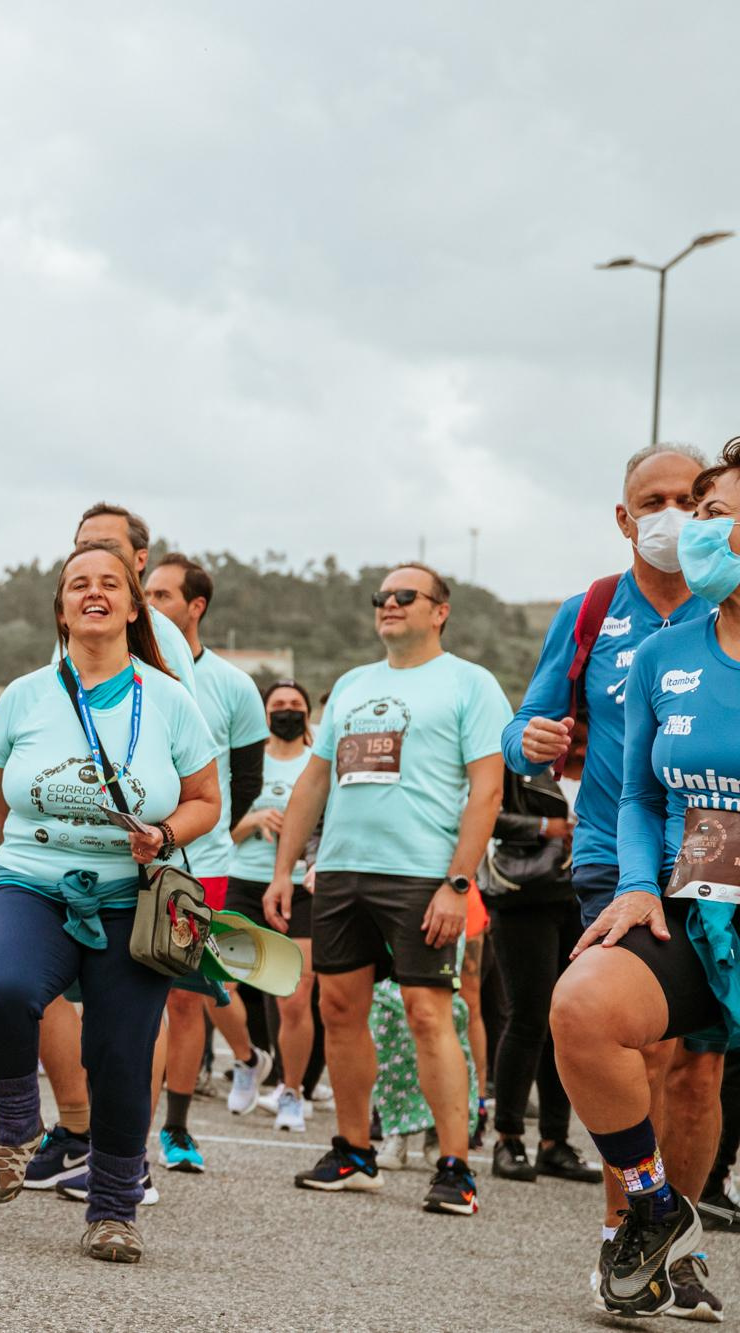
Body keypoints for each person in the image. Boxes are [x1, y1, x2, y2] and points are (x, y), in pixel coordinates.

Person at [0, 541, 218, 1265]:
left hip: (131, 896)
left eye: (109, 584)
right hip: (30, 880)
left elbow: (207, 802)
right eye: (76, 585)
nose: (92, 593)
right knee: (0, 991)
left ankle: (115, 1208)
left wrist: (163, 832)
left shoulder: (169, 700)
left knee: (121, 1052)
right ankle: (15, 1130)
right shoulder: (26, 696)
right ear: (61, 610)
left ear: (133, 605)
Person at [506, 443, 723, 1300]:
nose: (672, 514)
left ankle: (681, 1245)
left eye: (689, 498)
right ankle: (625, 1233)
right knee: (638, 1042)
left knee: (697, 1068)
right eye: (654, 499)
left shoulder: (719, 619)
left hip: (719, 869)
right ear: (625, 518)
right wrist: (528, 737)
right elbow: (526, 720)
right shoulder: (595, 611)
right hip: (615, 855)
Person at [266, 562, 509, 1216]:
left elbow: (488, 789)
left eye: (407, 595)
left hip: (421, 874)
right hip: (343, 869)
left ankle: (455, 1163)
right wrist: (284, 869)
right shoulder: (351, 684)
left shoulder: (470, 684)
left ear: (440, 610)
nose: (390, 604)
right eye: (382, 596)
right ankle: (353, 1151)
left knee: (428, 1013)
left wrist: (458, 882)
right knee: (338, 1010)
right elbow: (312, 783)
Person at [144, 553, 271, 1172]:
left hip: (201, 859)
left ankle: (176, 1128)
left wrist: (206, 828)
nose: (151, 606)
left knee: (184, 999)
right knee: (130, 994)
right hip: (131, 855)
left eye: (163, 595)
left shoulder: (234, 685)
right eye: (147, 594)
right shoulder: (127, 673)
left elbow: (247, 779)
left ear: (195, 607)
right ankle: (113, 1130)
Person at [479, 764, 599, 1187]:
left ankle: (555, 1143)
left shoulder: (612, 756)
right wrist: (544, 826)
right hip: (523, 895)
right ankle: (507, 1139)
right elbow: (483, 812)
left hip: (583, 896)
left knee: (567, 1023)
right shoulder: (519, 762)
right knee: (528, 1016)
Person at [227, 680, 322, 1132]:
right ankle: (248, 1059)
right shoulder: (249, 765)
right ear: (264, 714)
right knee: (219, 987)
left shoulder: (317, 764)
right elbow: (216, 829)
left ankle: (292, 1091)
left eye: (295, 705)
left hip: (301, 889)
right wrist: (254, 820)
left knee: (296, 995)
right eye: (278, 705)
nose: (287, 711)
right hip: (242, 881)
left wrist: (312, 855)